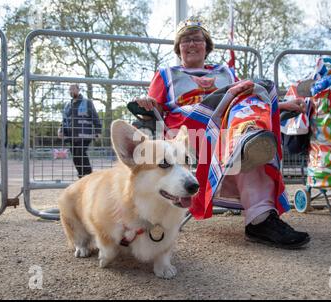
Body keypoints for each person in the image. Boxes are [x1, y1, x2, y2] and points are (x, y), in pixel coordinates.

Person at [134, 17, 310, 249]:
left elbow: (244, 101)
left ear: (206, 45)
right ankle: (247, 146)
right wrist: (148, 102)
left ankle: (260, 220)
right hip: (190, 134)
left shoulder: (225, 71)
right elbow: (153, 109)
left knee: (257, 91)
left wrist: (284, 105)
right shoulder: (166, 73)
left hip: (228, 127)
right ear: (179, 48)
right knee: (241, 140)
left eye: (197, 39)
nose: (191, 44)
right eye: (185, 40)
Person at [58, 84, 102, 178]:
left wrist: (98, 131)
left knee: (80, 154)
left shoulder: (87, 102)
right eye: (70, 90)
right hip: (72, 136)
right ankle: (81, 176)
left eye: (73, 89)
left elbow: (95, 116)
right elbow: (64, 120)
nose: (71, 91)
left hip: (85, 135)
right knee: (75, 157)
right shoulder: (67, 105)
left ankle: (88, 176)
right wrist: (61, 130)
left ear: (78, 90)